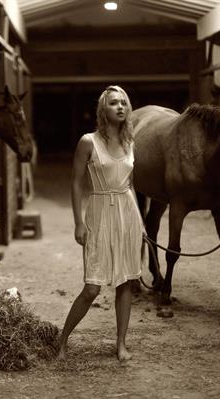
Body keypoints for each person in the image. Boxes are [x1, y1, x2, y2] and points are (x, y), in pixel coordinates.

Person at [58, 85, 145, 361]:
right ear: (102, 110)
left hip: (127, 211)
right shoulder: (88, 141)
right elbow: (74, 182)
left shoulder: (130, 142)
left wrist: (139, 223)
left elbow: (130, 184)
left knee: (126, 282)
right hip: (99, 209)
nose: (120, 107)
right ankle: (62, 340)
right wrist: (78, 222)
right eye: (113, 103)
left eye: (124, 103)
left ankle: (120, 344)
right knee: (92, 288)